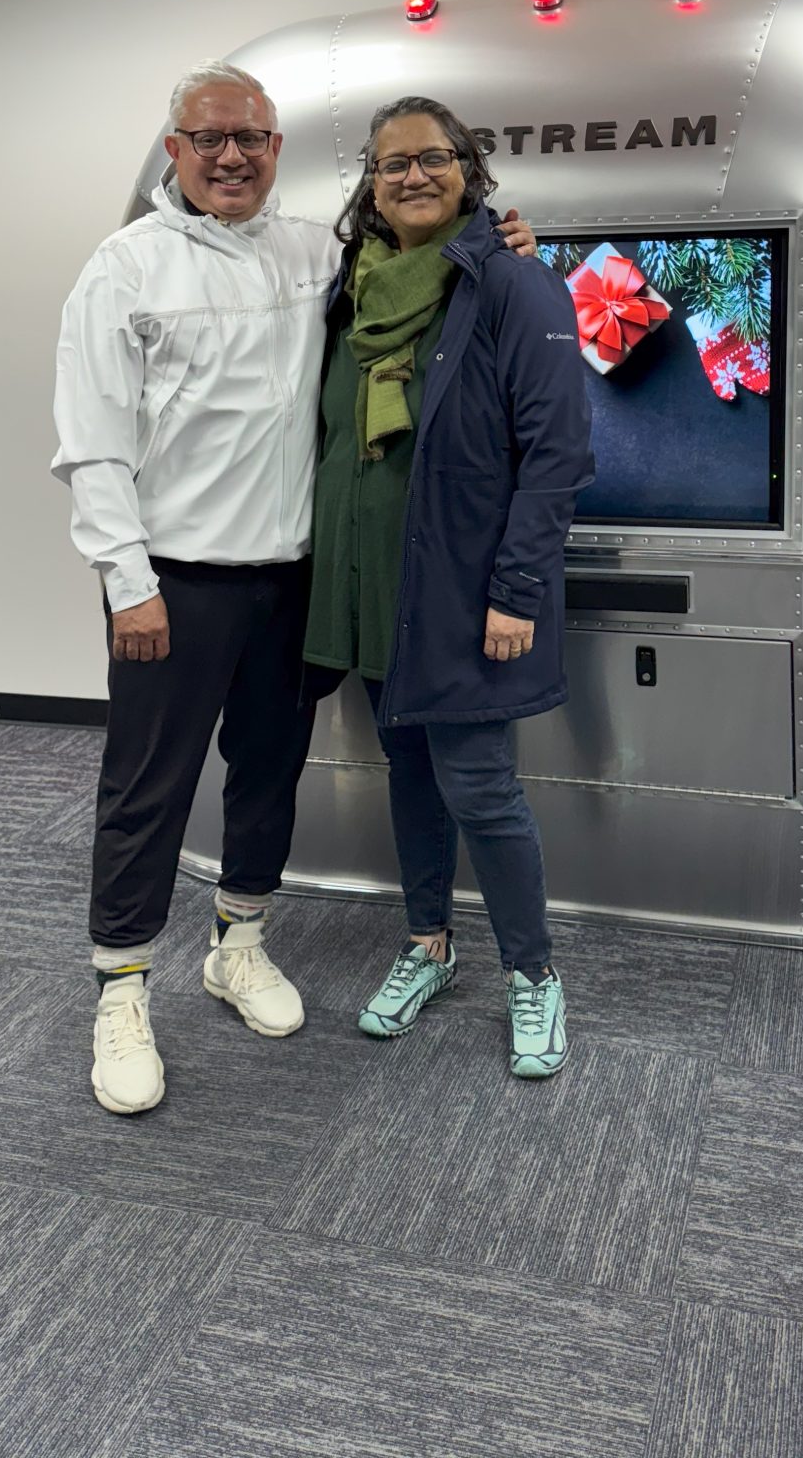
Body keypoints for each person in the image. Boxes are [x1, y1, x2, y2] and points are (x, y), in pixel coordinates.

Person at [53, 62, 536, 1116]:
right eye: (209, 138)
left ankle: (240, 943)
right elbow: (91, 444)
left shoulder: (321, 253)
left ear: (277, 148)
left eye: (251, 138)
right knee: (147, 789)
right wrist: (126, 583)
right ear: (175, 149)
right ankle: (122, 990)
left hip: (291, 581)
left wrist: (501, 246)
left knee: (269, 772)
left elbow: (422, 277)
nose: (231, 157)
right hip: (172, 583)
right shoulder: (125, 267)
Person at [303, 96, 593, 1078]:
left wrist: (517, 587)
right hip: (373, 586)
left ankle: (534, 973)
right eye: (392, 163)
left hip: (467, 595)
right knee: (412, 774)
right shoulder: (350, 288)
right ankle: (427, 944)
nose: (413, 175)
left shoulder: (513, 283)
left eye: (433, 157)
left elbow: (557, 453)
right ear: (371, 184)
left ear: (469, 169)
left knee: (481, 787)